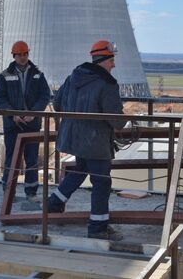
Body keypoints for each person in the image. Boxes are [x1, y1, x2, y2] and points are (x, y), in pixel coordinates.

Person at [47, 39, 126, 241]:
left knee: (80, 170)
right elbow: (116, 121)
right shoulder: (107, 84)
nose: (113, 65)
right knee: (101, 182)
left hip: (75, 139)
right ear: (103, 59)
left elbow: (57, 104)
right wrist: (126, 121)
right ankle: (98, 227)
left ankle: (54, 203)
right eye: (111, 61)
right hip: (96, 143)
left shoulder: (73, 77)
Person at [0, 41, 51, 202]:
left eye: (25, 54)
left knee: (32, 158)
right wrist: (13, 115)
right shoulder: (5, 75)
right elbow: (0, 98)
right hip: (13, 125)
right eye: (20, 54)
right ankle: (8, 190)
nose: (23, 57)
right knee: (12, 157)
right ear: (14, 56)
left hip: (32, 124)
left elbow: (45, 95)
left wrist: (33, 113)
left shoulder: (38, 74)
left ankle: (31, 192)